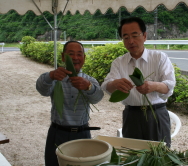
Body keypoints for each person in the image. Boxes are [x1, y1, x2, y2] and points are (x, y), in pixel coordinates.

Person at [101, 17, 176, 147]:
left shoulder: (159, 58)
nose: (131, 41)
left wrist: (154, 86)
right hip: (132, 115)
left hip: (156, 114)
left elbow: (169, 86)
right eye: (126, 37)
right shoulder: (119, 62)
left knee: (159, 156)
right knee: (132, 154)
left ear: (145, 36)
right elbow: (106, 85)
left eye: (135, 35)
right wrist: (114, 84)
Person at [36, 41, 104, 166]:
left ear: (84, 57)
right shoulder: (56, 78)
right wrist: (50, 75)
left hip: (82, 133)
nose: (75, 58)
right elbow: (42, 89)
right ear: (63, 57)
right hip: (57, 132)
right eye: (70, 54)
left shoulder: (89, 80)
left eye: (79, 54)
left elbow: (97, 98)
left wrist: (88, 87)